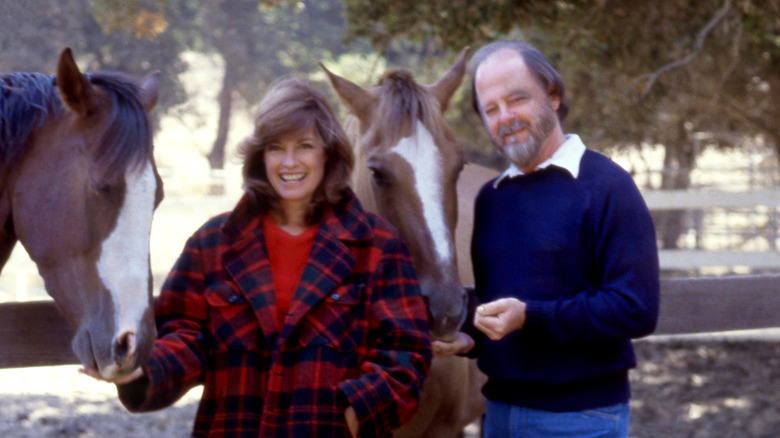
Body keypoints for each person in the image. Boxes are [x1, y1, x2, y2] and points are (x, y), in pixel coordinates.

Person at [84, 76, 432, 437]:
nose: (290, 161)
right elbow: (184, 334)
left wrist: (355, 410)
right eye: (276, 147)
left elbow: (406, 351)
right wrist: (142, 369)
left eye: (305, 145)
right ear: (259, 155)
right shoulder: (213, 243)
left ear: (328, 153)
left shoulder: (376, 245)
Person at [433, 40, 660, 437]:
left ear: (553, 96)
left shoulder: (607, 186)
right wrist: (469, 336)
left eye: (516, 99)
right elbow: (500, 312)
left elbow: (635, 308)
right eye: (491, 109)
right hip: (499, 413)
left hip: (580, 420)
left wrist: (531, 316)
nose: (505, 117)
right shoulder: (492, 199)